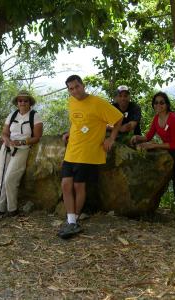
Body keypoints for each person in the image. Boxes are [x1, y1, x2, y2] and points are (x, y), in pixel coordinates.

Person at [58, 75, 123, 239]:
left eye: (77, 87)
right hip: (72, 150)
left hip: (89, 152)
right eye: (71, 88)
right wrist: (69, 132)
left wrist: (111, 138)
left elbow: (118, 118)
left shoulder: (98, 102)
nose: (74, 91)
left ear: (83, 85)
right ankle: (71, 220)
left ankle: (73, 222)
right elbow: (76, 121)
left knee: (79, 186)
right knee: (66, 185)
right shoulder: (71, 102)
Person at [131, 91, 175, 233]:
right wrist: (137, 138)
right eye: (156, 102)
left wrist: (153, 145)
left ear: (167, 104)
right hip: (168, 153)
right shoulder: (156, 119)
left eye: (161, 102)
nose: (158, 105)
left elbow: (174, 144)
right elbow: (149, 136)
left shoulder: (174, 118)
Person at [0, 90, 43, 220]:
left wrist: (22, 141)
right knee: (1, 179)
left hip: (22, 149)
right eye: (20, 100)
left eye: (25, 100)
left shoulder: (35, 116)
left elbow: (37, 137)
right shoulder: (12, 115)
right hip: (6, 148)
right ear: (17, 103)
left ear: (30, 102)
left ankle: (12, 209)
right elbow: (4, 133)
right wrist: (7, 141)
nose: (22, 103)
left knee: (10, 178)